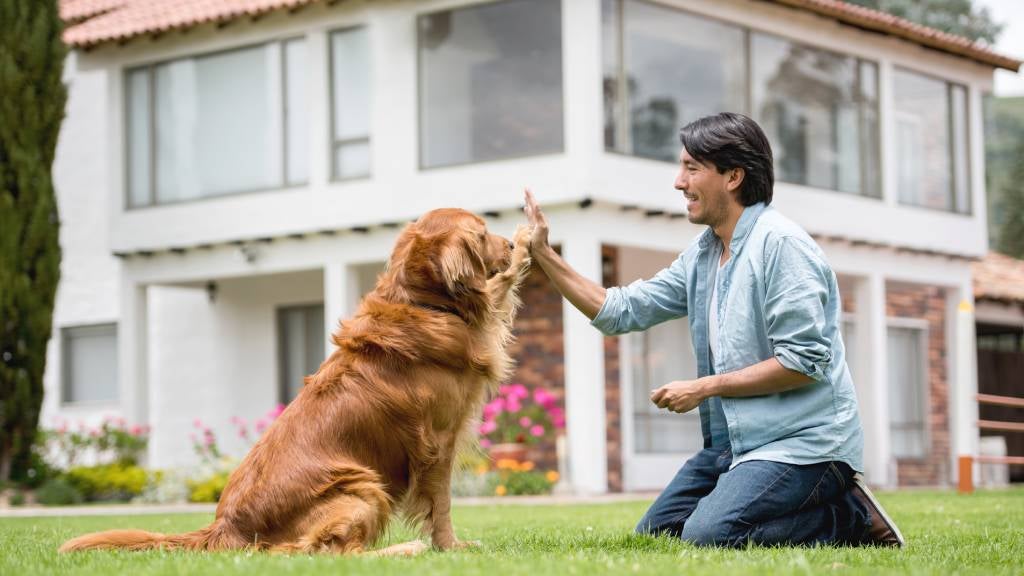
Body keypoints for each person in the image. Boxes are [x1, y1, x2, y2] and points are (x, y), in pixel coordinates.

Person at [522, 112, 904, 548]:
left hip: (805, 446)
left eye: (691, 168)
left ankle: (848, 517)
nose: (678, 182)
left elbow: (803, 364)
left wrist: (705, 387)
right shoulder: (703, 256)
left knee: (709, 535)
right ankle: (818, 509)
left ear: (733, 176)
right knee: (658, 536)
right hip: (735, 446)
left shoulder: (782, 247)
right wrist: (545, 255)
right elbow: (621, 311)